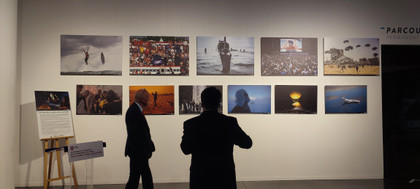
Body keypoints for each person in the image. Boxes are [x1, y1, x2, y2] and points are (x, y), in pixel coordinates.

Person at [181, 87, 252, 189]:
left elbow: (185, 149)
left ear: (202, 103)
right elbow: (247, 143)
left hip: (200, 178)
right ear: (219, 103)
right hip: (224, 178)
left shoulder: (191, 124)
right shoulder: (230, 122)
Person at [124, 89, 155, 189]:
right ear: (142, 99)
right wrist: (147, 148)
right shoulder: (134, 111)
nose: (149, 101)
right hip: (138, 151)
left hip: (138, 151)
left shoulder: (135, 110)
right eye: (148, 98)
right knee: (139, 178)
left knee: (137, 178)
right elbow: (137, 134)